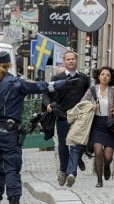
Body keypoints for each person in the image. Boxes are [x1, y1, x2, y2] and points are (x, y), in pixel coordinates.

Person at [0, 51, 77, 204]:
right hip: (9, 133)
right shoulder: (17, 83)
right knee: (12, 169)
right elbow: (43, 86)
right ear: (9, 65)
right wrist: (65, 83)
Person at [43, 51, 90, 188]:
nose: (70, 61)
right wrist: (48, 105)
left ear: (76, 61)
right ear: (64, 61)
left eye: (73, 59)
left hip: (79, 117)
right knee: (63, 147)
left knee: (76, 145)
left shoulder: (83, 78)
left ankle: (71, 173)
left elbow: (90, 94)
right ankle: (64, 170)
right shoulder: (58, 78)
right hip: (62, 116)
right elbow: (46, 93)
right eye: (68, 59)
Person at [81, 66, 114, 187]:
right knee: (98, 151)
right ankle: (99, 180)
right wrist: (91, 106)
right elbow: (82, 103)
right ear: (99, 76)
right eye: (102, 74)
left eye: (107, 75)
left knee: (107, 156)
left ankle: (107, 166)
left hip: (110, 124)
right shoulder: (92, 90)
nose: (105, 77)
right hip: (96, 124)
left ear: (110, 78)